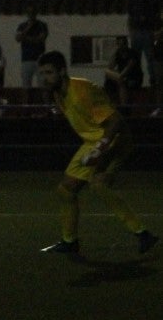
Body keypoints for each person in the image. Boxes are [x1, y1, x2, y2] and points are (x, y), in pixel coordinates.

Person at [36, 50, 157, 256]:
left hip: (113, 139)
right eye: (42, 73)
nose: (44, 78)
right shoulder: (57, 93)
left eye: (48, 73)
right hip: (93, 141)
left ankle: (142, 234)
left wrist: (99, 148)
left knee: (98, 184)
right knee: (66, 190)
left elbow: (116, 121)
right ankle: (70, 241)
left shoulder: (82, 89)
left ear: (62, 71)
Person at [126, 0, 159, 91]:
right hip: (137, 32)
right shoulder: (133, 4)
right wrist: (131, 32)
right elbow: (130, 18)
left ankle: (153, 80)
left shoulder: (149, 4)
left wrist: (152, 31)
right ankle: (137, 80)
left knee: (150, 57)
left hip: (146, 32)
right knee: (136, 58)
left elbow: (155, 17)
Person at [14, 7, 48, 105]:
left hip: (40, 59)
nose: (31, 14)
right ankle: (26, 109)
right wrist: (28, 28)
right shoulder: (22, 26)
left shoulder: (42, 25)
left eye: (32, 12)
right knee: (26, 87)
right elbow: (18, 38)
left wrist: (25, 38)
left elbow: (40, 39)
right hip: (26, 60)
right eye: (29, 12)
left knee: (43, 85)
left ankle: (46, 108)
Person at [103, 35, 142, 108]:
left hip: (133, 78)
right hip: (121, 77)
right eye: (119, 44)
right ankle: (110, 105)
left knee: (121, 82)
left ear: (126, 44)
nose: (121, 47)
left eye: (123, 44)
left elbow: (129, 67)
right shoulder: (117, 54)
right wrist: (114, 55)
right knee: (108, 81)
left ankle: (124, 107)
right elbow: (110, 67)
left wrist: (120, 76)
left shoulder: (133, 53)